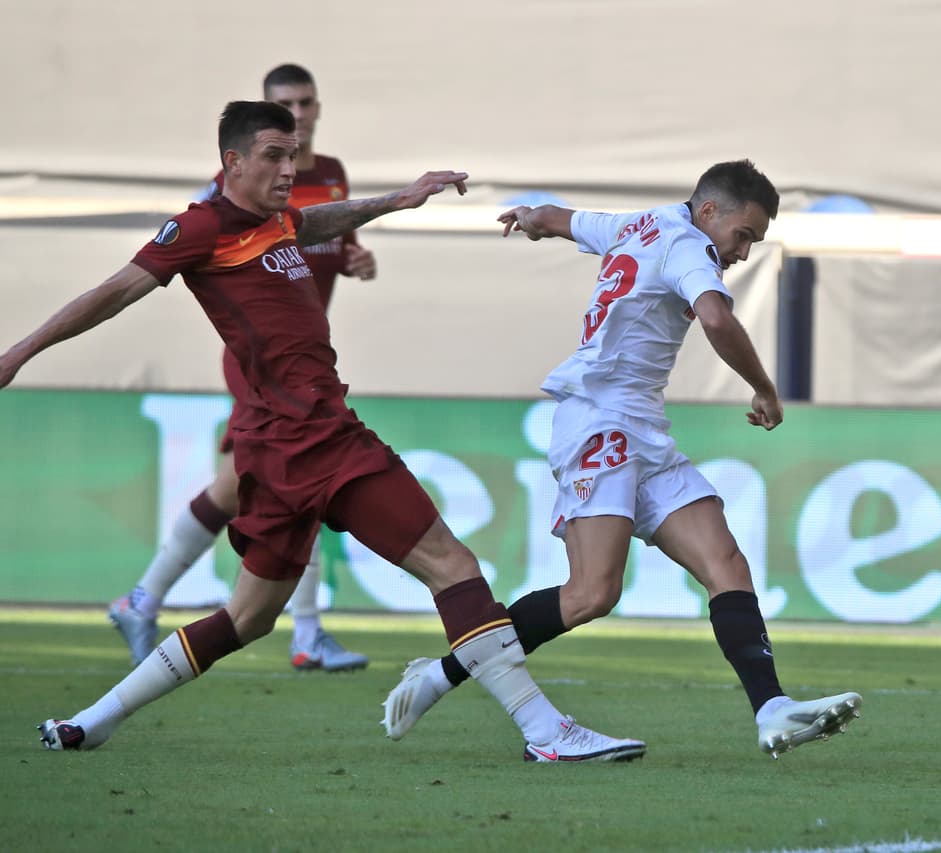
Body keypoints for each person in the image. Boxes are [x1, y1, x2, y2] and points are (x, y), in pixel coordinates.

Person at [2, 100, 644, 763]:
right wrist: (20, 351)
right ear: (234, 161)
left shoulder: (274, 220)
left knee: (247, 618)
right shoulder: (200, 228)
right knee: (451, 564)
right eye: (275, 155)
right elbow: (113, 291)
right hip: (318, 440)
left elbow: (315, 221)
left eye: (293, 153)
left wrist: (400, 198)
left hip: (283, 449)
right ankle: (546, 730)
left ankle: (91, 719)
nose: (289, 168)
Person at [381, 160, 862, 759]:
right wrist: (764, 388)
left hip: (641, 428)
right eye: (744, 235)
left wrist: (532, 218)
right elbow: (715, 316)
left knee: (726, 563)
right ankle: (440, 675)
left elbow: (566, 220)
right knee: (591, 594)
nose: (741, 252)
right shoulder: (689, 249)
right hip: (599, 421)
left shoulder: (639, 225)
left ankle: (772, 709)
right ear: (709, 211)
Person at [109, 63, 375, 673]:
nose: (301, 113)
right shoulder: (233, 185)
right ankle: (306, 633)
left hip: (303, 360)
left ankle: (140, 599)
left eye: (307, 102)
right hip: (259, 362)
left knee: (233, 488)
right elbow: (203, 249)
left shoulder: (330, 176)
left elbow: (316, 245)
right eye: (287, 104)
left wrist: (356, 256)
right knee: (301, 474)